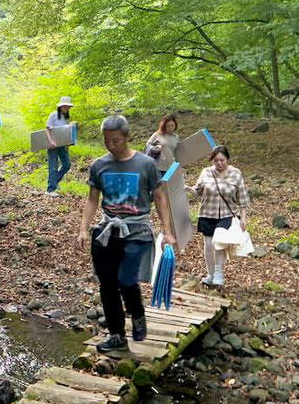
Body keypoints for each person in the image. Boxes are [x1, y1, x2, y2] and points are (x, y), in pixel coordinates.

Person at [77, 115, 176, 352]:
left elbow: (160, 197)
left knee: (126, 279)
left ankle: (138, 316)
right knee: (107, 285)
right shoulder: (99, 165)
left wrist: (168, 232)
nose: (111, 145)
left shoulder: (146, 164)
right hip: (106, 230)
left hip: (137, 231)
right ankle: (117, 336)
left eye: (116, 140)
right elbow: (92, 199)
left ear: (127, 137)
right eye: (107, 141)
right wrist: (83, 229)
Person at [186, 146, 249, 288]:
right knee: (208, 244)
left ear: (228, 159)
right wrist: (186, 188)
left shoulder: (236, 174)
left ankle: (219, 273)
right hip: (207, 212)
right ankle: (211, 274)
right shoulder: (206, 172)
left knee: (219, 243)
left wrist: (243, 217)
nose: (219, 163)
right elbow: (198, 192)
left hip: (227, 213)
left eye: (222, 160)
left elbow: (243, 197)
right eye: (216, 161)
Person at [44, 96, 74, 195]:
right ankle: (50, 189)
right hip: (53, 145)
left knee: (66, 164)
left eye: (67, 106)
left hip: (62, 145)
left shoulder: (64, 118)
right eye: (65, 106)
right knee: (52, 166)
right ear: (61, 106)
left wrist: (68, 143)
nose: (66, 108)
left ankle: (54, 181)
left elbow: (63, 132)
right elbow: (47, 128)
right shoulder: (53, 115)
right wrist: (51, 141)